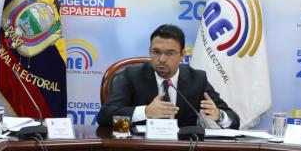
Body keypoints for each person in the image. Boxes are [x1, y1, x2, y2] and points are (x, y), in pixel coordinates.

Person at [97, 24, 240, 129]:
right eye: (156, 52)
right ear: (150, 51)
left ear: (182, 55)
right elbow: (105, 117)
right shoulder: (132, 76)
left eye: (170, 53)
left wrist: (218, 115)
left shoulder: (196, 79)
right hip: (139, 149)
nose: (162, 59)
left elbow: (234, 120)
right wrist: (145, 112)